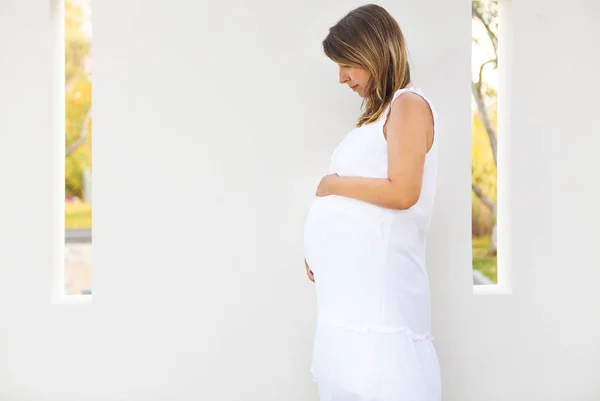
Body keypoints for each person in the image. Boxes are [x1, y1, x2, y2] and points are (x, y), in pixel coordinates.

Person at [303, 4, 441, 401]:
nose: (342, 78)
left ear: (373, 52)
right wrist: (322, 247)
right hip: (349, 303)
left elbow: (403, 192)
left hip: (381, 305)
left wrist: (332, 185)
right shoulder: (376, 116)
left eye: (348, 64)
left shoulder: (408, 105)